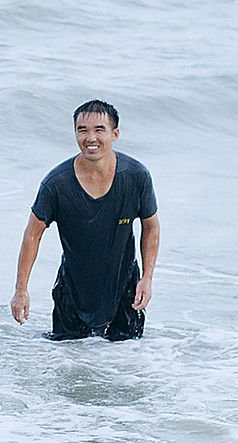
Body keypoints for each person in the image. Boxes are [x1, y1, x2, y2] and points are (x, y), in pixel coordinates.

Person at [12, 100, 160, 340]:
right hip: (72, 292)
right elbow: (32, 234)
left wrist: (147, 278)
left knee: (126, 365)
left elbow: (151, 226)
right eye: (82, 130)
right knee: (69, 366)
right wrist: (21, 290)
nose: (90, 137)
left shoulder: (136, 176)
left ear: (115, 133)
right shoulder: (57, 184)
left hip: (125, 291)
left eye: (99, 130)